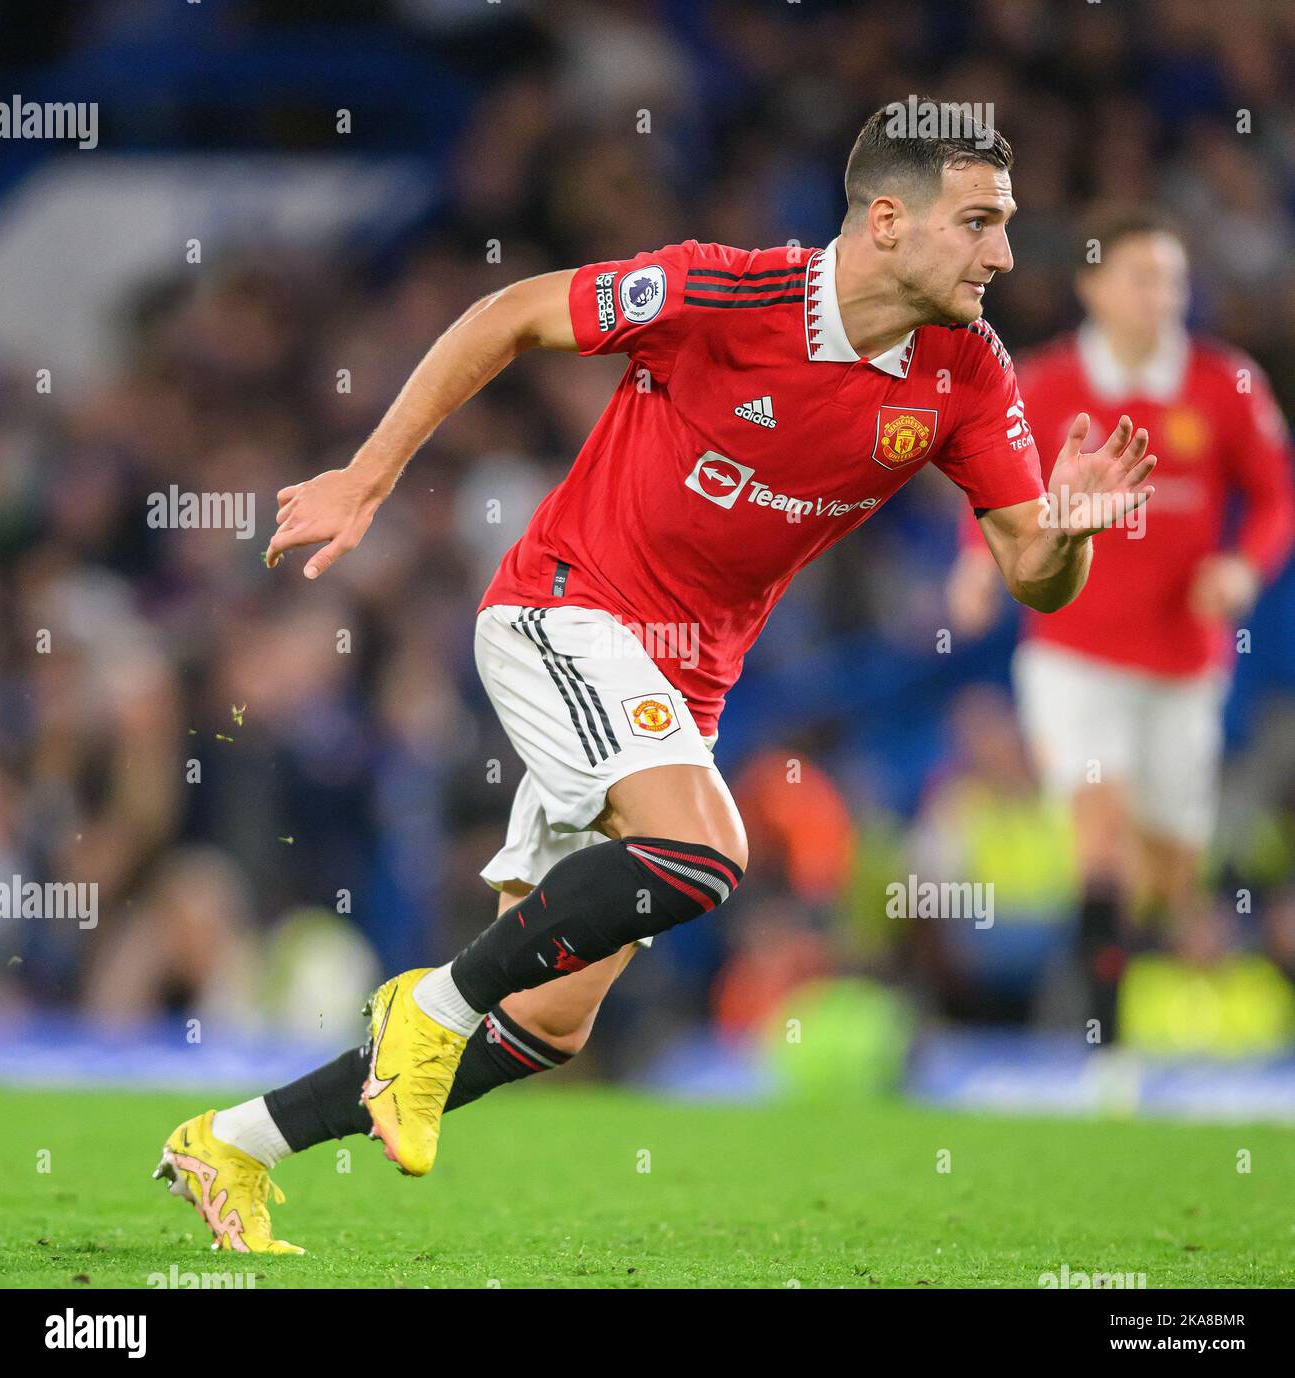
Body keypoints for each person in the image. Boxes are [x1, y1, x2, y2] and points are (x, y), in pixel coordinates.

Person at [155, 101, 1157, 1252]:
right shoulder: (726, 296)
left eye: (1007, 224)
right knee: (704, 852)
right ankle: (423, 1008)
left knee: (547, 1022)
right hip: (560, 610)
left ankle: (236, 1141)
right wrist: (369, 477)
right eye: (979, 222)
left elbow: (1032, 570)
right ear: (888, 220)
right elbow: (510, 312)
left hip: (678, 691)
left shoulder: (966, 371)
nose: (1005, 254)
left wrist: (1071, 528)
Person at [947, 205, 1294, 1039]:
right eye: (1141, 277)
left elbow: (1276, 496)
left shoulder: (1226, 383)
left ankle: (1130, 992)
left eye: (1173, 279)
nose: (1161, 296)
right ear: (1093, 285)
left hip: (1184, 661)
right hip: (1073, 653)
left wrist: (1243, 567)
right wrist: (974, 561)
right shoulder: (1042, 383)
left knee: (1168, 870)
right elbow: (992, 478)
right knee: (1098, 831)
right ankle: (1101, 1047)